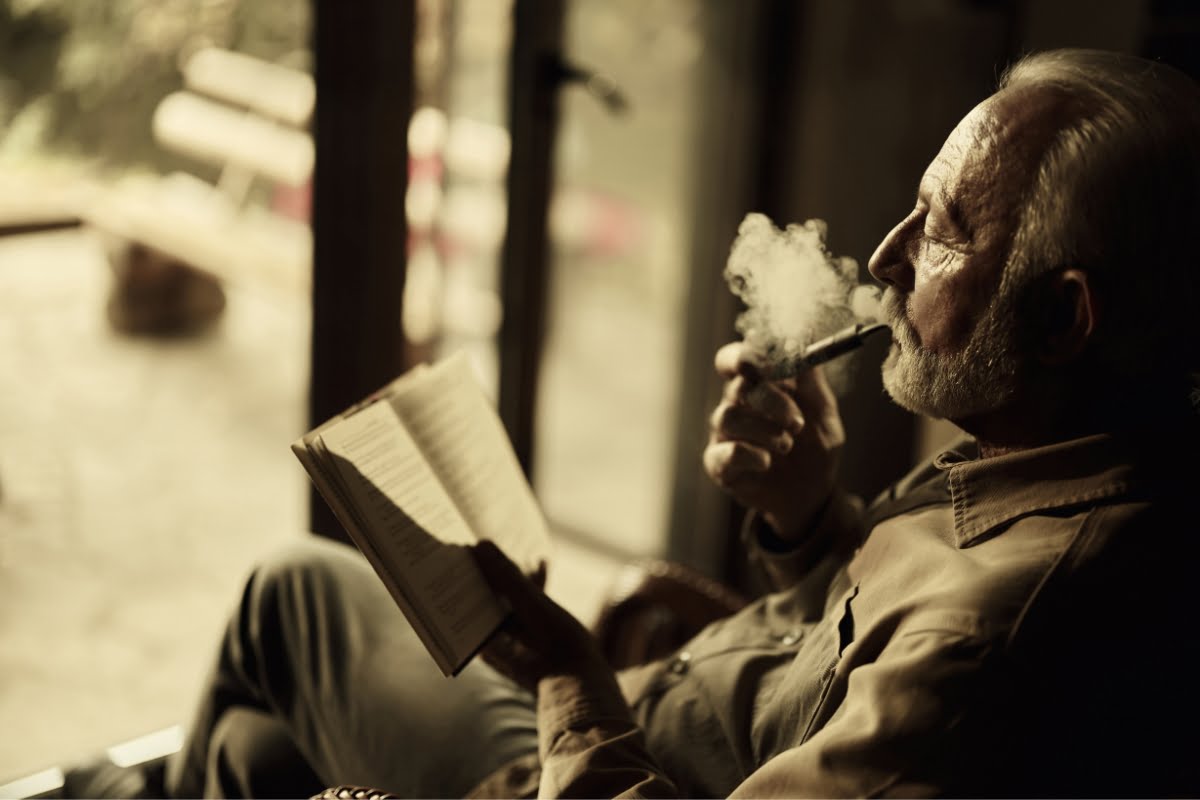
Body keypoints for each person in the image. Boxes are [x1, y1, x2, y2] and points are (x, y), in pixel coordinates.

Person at [66, 47, 1200, 798]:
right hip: (648, 717)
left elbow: (919, 663)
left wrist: (568, 674)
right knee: (250, 754)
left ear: (1064, 317)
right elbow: (840, 662)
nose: (892, 255)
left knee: (288, 591)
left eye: (946, 228)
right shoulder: (1043, 461)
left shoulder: (993, 639)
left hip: (602, 759)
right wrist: (809, 523)